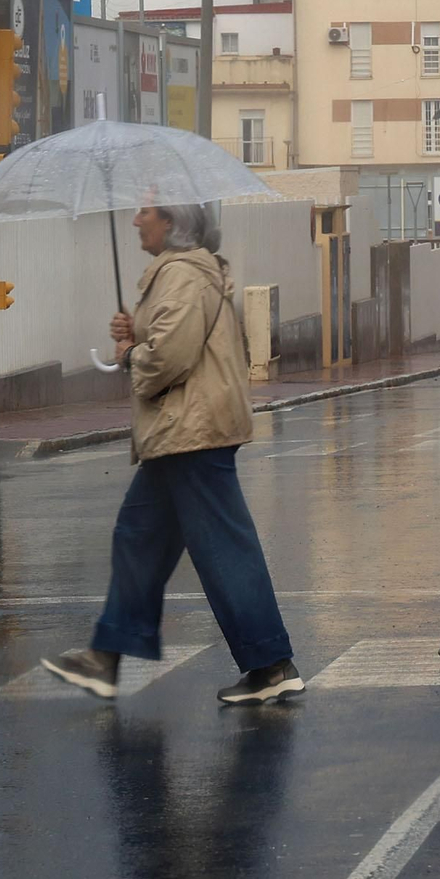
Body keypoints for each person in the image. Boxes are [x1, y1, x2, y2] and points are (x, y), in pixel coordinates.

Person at [42, 203, 304, 705]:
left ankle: (271, 663)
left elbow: (170, 357)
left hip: (192, 431)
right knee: (138, 538)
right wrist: (135, 332)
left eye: (146, 213)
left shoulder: (182, 274)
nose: (137, 221)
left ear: (172, 223)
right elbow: (172, 340)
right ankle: (107, 657)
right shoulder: (177, 275)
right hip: (181, 431)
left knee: (223, 549)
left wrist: (131, 354)